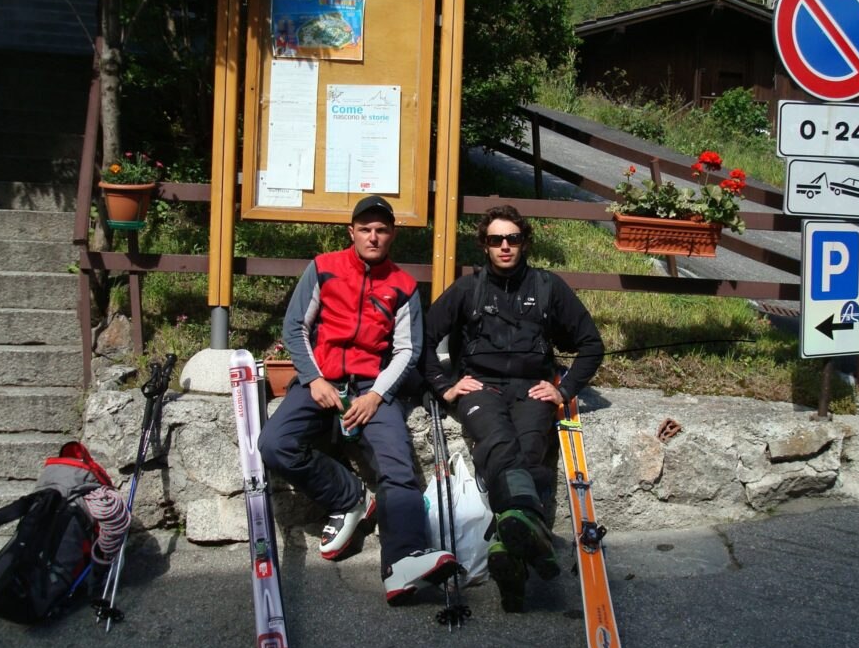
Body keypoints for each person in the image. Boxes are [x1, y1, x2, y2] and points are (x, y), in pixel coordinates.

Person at [259, 195, 459, 605]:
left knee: (397, 464)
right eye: (365, 229)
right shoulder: (323, 268)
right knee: (274, 444)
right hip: (321, 383)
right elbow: (295, 327)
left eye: (382, 229)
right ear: (351, 232)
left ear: (392, 235)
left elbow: (406, 350)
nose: (373, 236)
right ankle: (348, 497)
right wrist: (314, 379)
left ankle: (403, 560)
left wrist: (376, 395)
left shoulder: (403, 286)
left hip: (372, 387)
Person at [422, 204, 605, 612]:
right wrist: (445, 387)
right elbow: (423, 342)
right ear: (484, 246)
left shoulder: (548, 287)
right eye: (495, 240)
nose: (505, 247)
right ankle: (527, 528)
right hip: (480, 387)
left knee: (531, 446)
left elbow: (592, 345)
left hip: (531, 388)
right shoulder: (466, 291)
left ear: (524, 242)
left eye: (512, 239)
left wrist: (564, 390)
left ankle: (512, 552)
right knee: (498, 441)